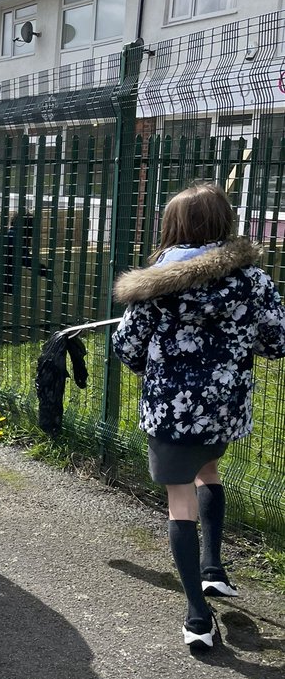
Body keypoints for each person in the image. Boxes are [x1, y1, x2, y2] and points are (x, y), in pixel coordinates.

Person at [111, 182, 285, 651]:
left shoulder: (155, 284)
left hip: (172, 412)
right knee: (208, 470)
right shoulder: (253, 279)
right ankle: (214, 571)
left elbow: (126, 347)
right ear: (224, 223)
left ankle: (198, 615)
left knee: (178, 499)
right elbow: (276, 343)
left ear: (173, 227)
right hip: (226, 411)